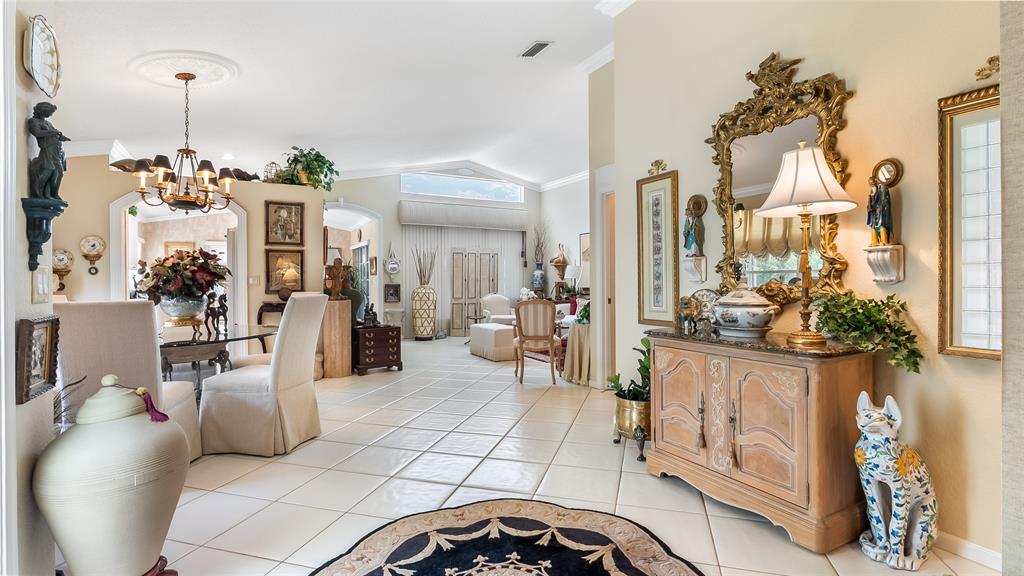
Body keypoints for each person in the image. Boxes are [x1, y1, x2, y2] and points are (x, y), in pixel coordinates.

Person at [28, 102, 70, 202]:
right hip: (47, 149)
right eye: (49, 113)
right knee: (50, 171)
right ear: (42, 111)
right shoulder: (34, 121)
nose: (50, 115)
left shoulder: (47, 123)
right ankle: (39, 193)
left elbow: (56, 133)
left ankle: (53, 194)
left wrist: (61, 136)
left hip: (56, 150)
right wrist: (53, 132)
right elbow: (37, 133)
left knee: (59, 172)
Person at [867, 176, 894, 246]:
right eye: (870, 184)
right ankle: (875, 241)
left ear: (876, 181)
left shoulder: (882, 188)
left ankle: (884, 240)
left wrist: (880, 207)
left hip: (882, 212)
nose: (872, 185)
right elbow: (871, 203)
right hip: (874, 213)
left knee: (882, 224)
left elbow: (884, 201)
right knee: (873, 225)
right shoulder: (872, 191)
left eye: (873, 183)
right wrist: (870, 203)